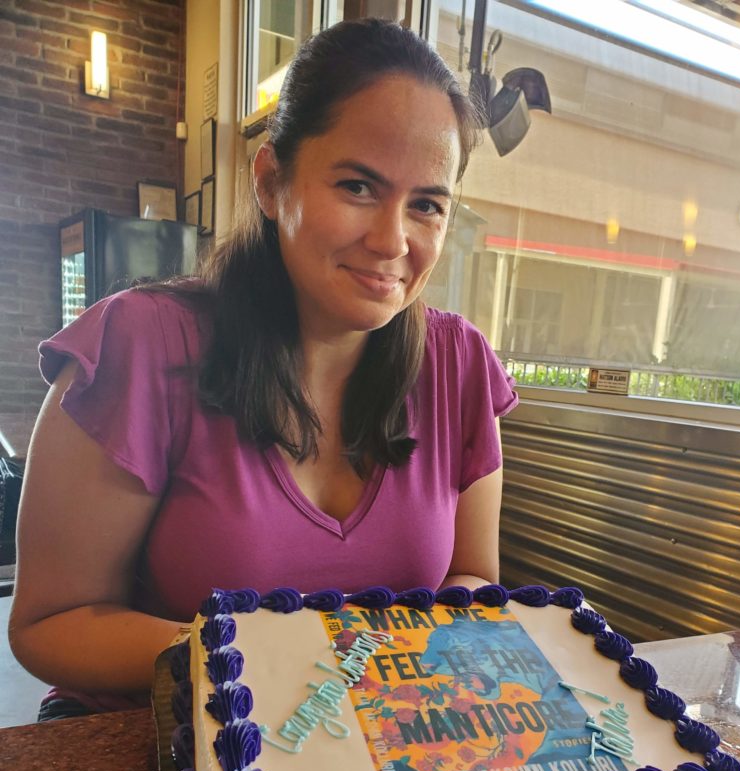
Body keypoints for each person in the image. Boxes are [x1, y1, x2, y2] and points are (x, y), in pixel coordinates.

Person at [9, 18, 517, 721]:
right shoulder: (142, 345)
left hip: (372, 747)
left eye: (426, 204)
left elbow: (471, 579)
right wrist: (265, 665)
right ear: (273, 181)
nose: (393, 240)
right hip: (159, 743)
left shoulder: (460, 365)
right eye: (359, 187)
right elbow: (51, 623)